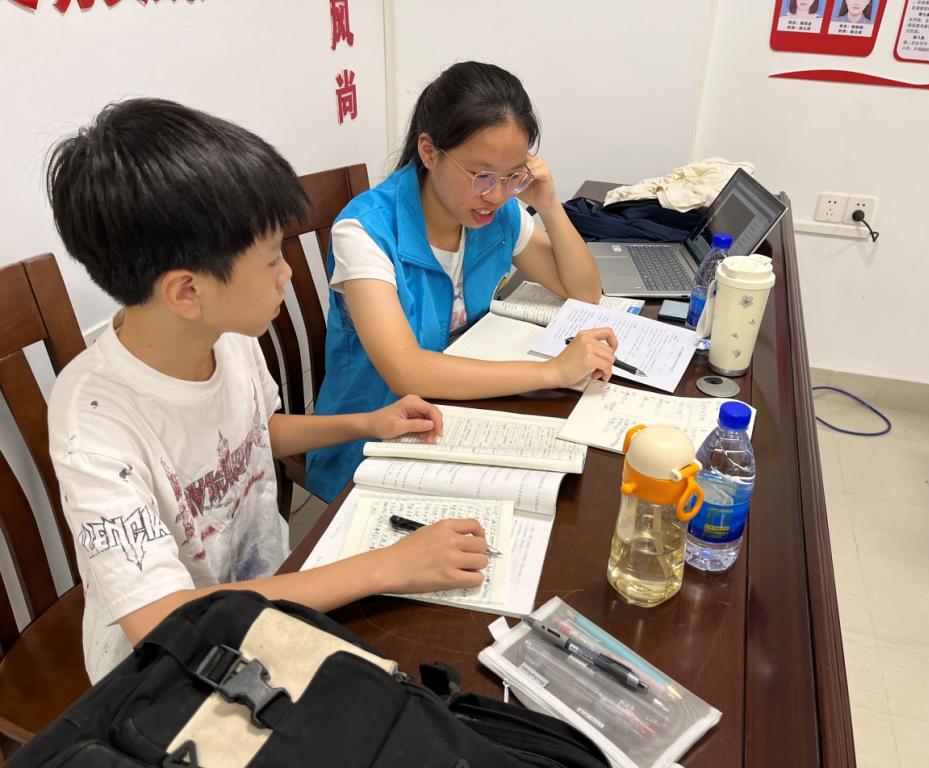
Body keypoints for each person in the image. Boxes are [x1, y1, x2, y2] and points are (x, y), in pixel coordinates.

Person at [46, 98, 492, 682]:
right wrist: (386, 567)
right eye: (271, 258)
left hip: (272, 600)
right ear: (187, 292)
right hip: (168, 674)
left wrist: (368, 423)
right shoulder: (93, 421)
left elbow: (257, 430)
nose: (288, 272)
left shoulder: (225, 334)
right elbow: (161, 622)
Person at [308, 61, 616, 501]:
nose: (496, 194)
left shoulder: (495, 212)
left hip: (457, 415)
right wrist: (553, 371)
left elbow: (584, 291)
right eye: (481, 175)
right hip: (372, 442)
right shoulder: (365, 231)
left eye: (512, 176)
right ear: (429, 152)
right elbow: (406, 371)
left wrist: (549, 205)